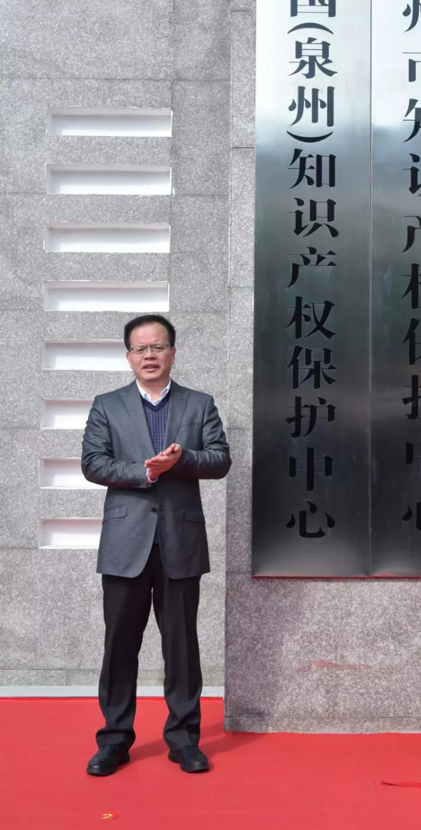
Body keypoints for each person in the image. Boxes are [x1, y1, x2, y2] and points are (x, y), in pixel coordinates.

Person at [82, 314, 231, 776]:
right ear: (128, 356)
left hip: (180, 541)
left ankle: (184, 739)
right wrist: (146, 471)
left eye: (158, 346)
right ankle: (114, 740)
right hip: (125, 543)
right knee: (119, 646)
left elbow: (220, 459)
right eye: (141, 348)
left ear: (173, 352)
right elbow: (93, 463)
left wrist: (182, 460)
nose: (150, 355)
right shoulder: (107, 405)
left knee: (182, 647)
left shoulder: (199, 404)